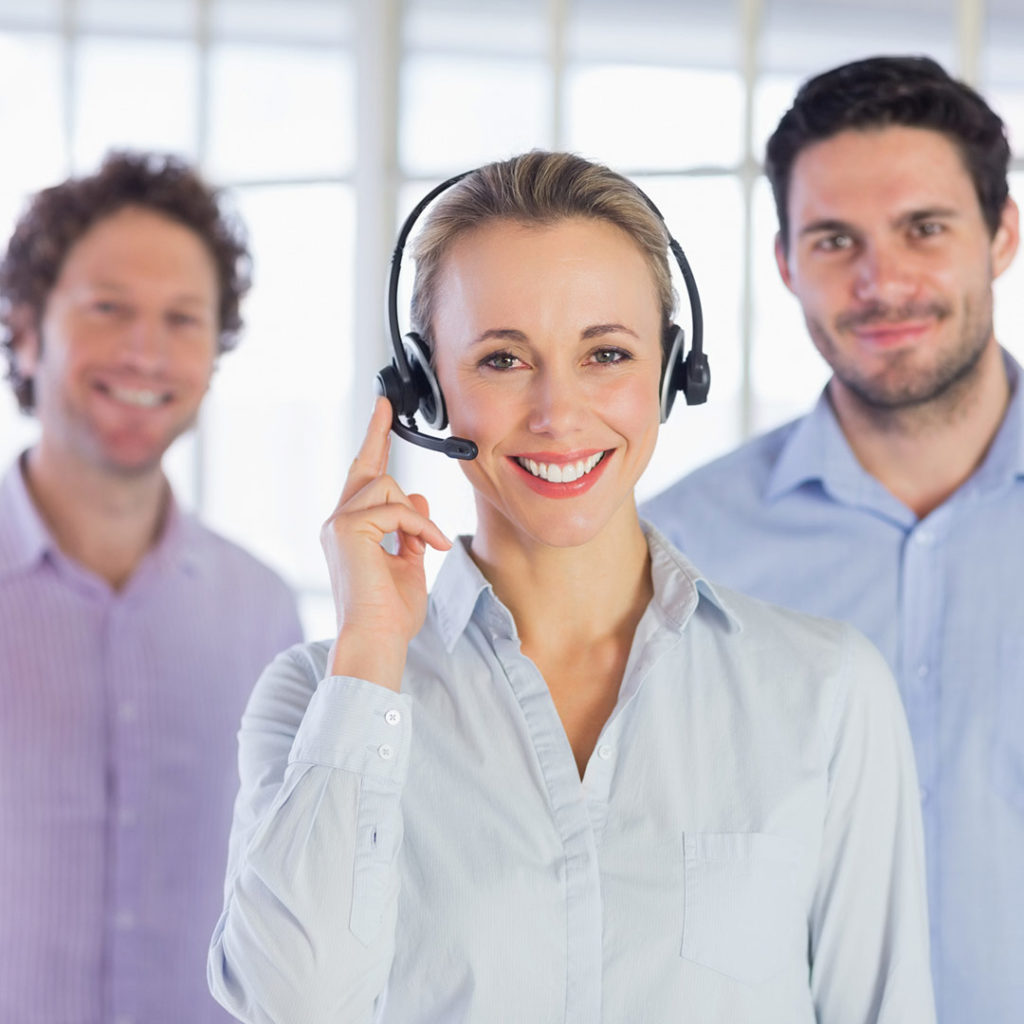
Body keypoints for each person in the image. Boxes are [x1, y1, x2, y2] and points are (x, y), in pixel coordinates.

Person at [208, 150, 934, 1023]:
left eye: (606, 353)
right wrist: (369, 652)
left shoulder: (826, 690)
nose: (558, 413)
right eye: (503, 360)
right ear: (427, 387)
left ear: (671, 372)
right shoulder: (317, 699)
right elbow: (291, 1004)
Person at [641, 55, 1022, 1023]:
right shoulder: (682, 549)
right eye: (832, 238)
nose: (878, 279)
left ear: (1003, 233)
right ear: (783, 263)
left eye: (922, 229)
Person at [0, 151, 304, 1024]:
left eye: (182, 318)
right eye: (109, 309)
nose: (145, 350)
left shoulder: (264, 612)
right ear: (26, 328)